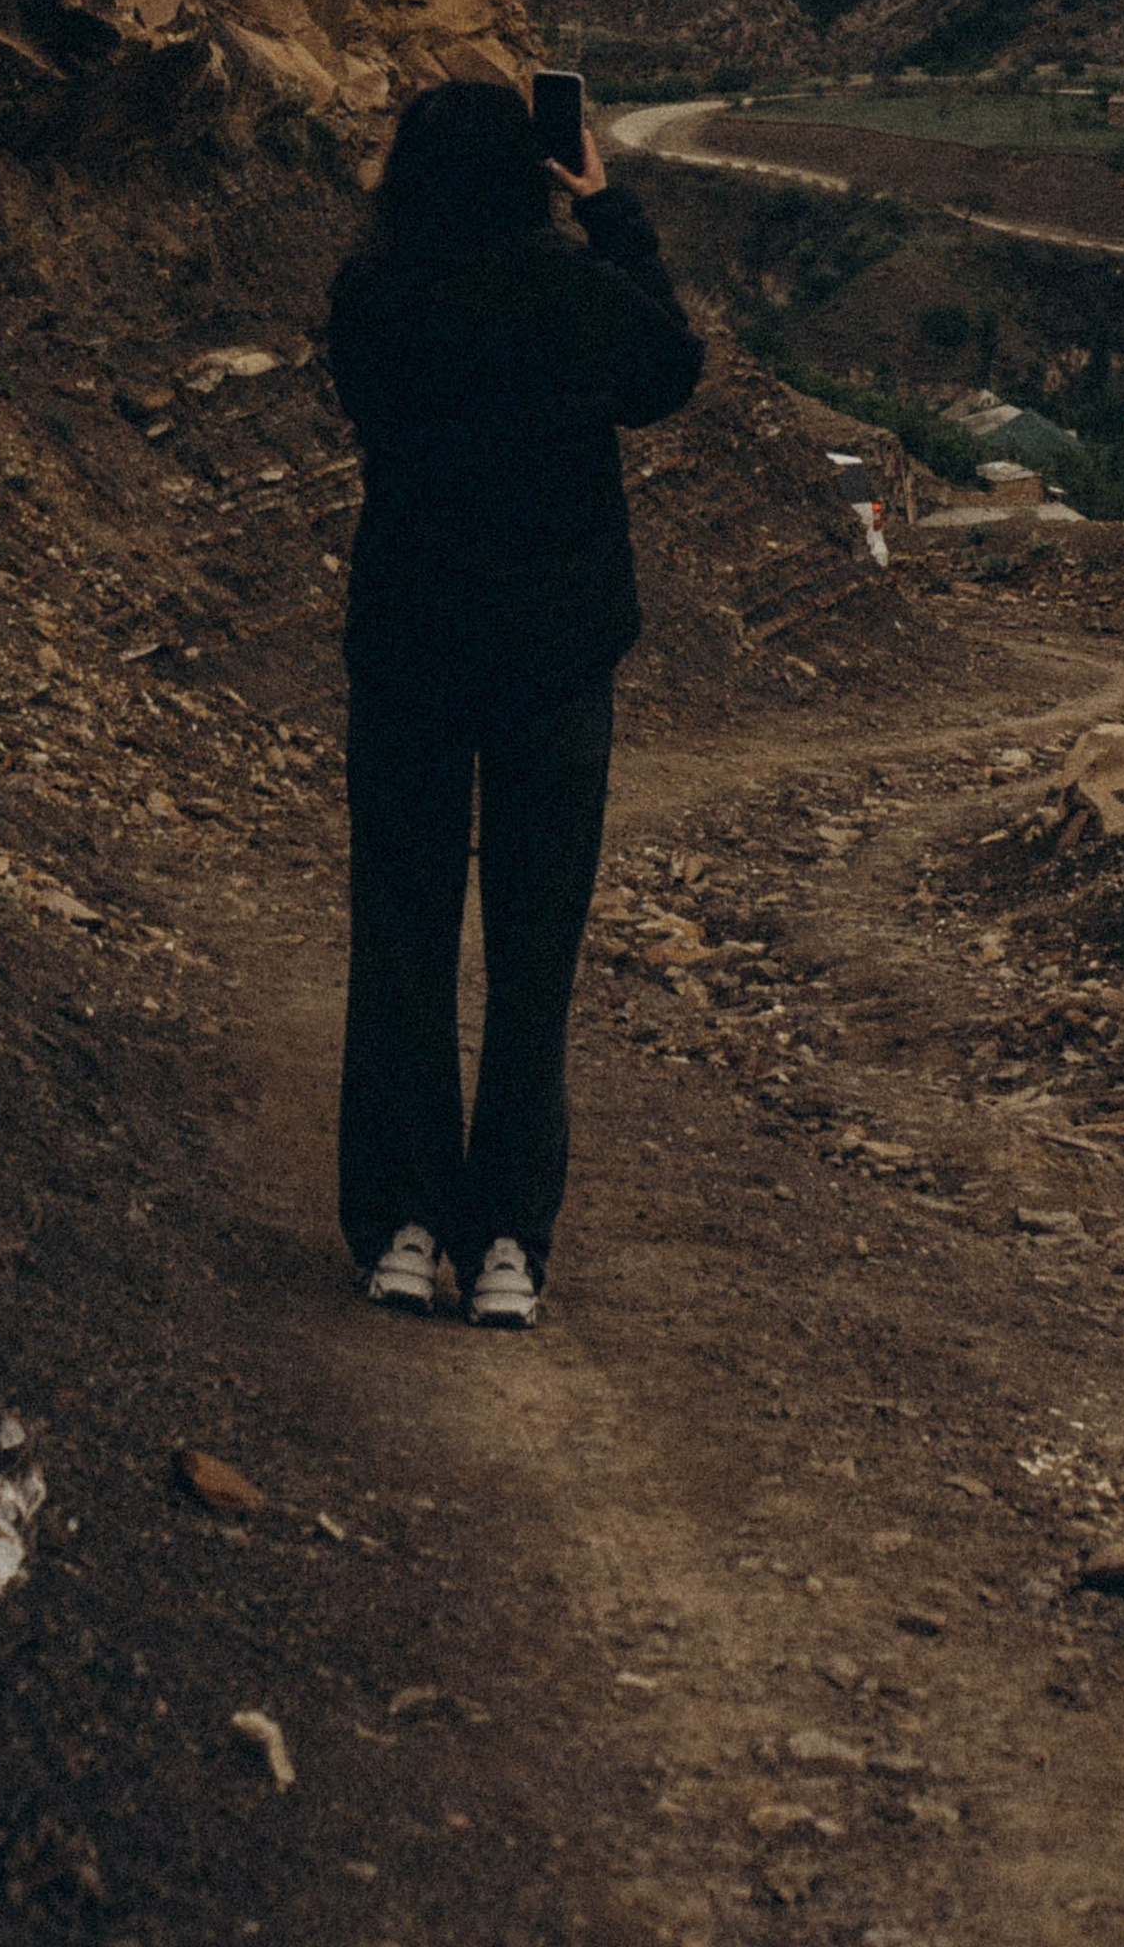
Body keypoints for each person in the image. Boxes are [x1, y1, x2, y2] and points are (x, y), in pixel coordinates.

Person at [325, 77, 704, 1328]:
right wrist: (610, 214)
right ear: (530, 170)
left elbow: (369, 406)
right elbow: (669, 369)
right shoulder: (575, 295)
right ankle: (508, 1251)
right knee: (534, 951)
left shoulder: (371, 298)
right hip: (553, 657)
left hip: (410, 646)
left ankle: (403, 1224)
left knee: (403, 937)